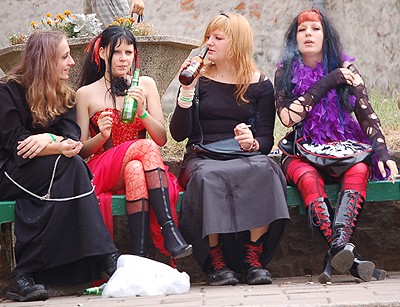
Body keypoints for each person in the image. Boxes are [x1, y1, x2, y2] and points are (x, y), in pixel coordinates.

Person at [274, 9, 398, 283]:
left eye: (315, 29)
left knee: (360, 170)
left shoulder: (348, 69)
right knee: (306, 178)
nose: (308, 34)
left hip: (346, 146)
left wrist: (382, 153)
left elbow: (367, 113)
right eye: (302, 29)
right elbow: (288, 117)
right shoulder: (285, 72)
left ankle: (338, 250)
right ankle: (349, 258)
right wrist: (331, 79)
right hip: (302, 150)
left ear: (325, 35)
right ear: (294, 38)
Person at [170, 12, 290, 286]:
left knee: (268, 169)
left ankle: (252, 254)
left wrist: (252, 143)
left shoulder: (259, 83)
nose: (208, 42)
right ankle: (215, 258)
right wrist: (187, 91)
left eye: (218, 37)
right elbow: (178, 134)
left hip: (241, 154)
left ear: (236, 43)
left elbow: (265, 141)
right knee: (206, 177)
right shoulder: (198, 77)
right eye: (208, 36)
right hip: (203, 154)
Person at [0, 31, 118, 302]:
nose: (72, 63)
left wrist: (46, 140)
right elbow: (15, 143)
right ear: (45, 60)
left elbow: (74, 140)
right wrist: (54, 142)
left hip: (50, 176)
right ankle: (105, 257)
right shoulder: (7, 90)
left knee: (71, 167)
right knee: (71, 167)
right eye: (64, 56)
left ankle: (24, 275)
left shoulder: (64, 95)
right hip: (8, 172)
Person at [76, 25, 192, 261]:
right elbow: (80, 150)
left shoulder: (145, 85)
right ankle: (169, 230)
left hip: (141, 166)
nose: (123, 59)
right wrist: (102, 136)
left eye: (129, 53)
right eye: (117, 52)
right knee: (145, 148)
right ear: (102, 54)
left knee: (136, 168)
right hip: (103, 168)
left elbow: (161, 139)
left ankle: (140, 255)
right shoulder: (86, 93)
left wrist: (142, 113)